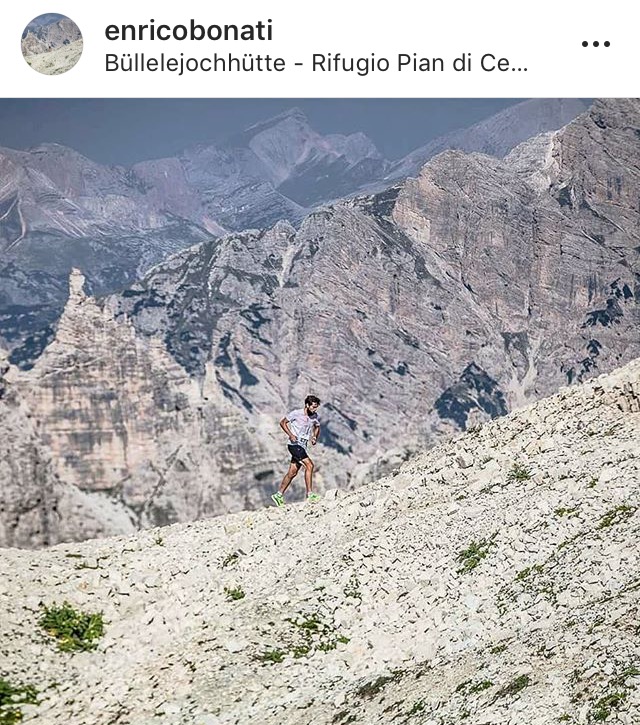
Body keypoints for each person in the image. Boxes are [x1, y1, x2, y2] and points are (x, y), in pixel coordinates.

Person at [272, 395, 321, 506]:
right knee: (310, 465)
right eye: (313, 407)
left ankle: (278, 495)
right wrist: (290, 434)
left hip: (303, 446)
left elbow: (317, 427)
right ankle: (310, 494)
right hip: (294, 445)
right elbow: (282, 422)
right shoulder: (296, 413)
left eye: (316, 407)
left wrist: (314, 437)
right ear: (307, 405)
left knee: (292, 472)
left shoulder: (314, 416)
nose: (314, 410)